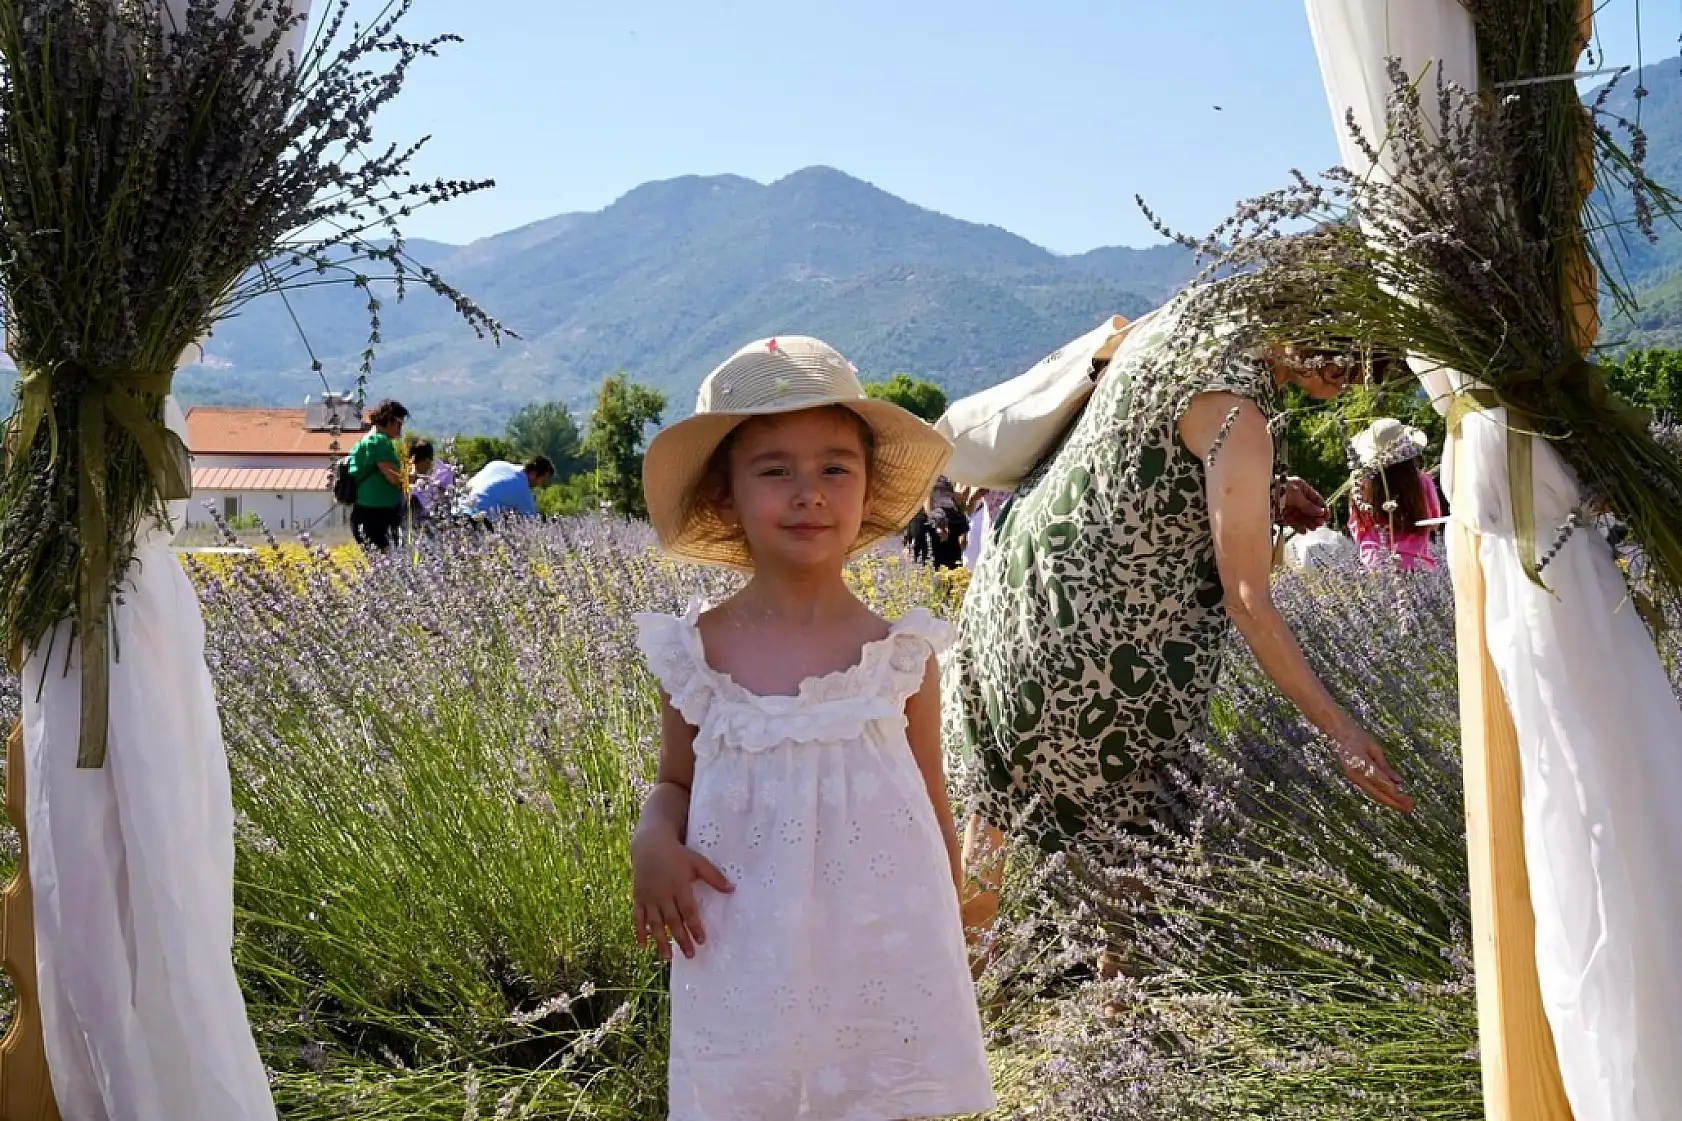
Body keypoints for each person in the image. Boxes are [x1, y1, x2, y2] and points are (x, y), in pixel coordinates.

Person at [948, 305, 1415, 939]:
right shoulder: (1239, 412)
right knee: (1143, 833)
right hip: (1113, 649)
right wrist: (1341, 731)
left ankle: (966, 1000)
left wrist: (1267, 495)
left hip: (1017, 603)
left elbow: (1143, 461)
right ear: (1323, 327)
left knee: (994, 803)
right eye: (1363, 363)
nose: (1358, 383)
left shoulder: (1190, 322)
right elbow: (1247, 598)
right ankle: (1122, 1018)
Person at [629, 336, 995, 1120]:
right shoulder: (696, 654)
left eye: (835, 467)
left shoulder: (899, 656)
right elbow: (675, 781)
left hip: (882, 953)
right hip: (741, 952)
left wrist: (954, 916)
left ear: (866, 491)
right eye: (775, 470)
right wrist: (651, 838)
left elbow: (930, 796)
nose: (810, 492)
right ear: (725, 496)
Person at [1347, 418, 1442, 572]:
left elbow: (1357, 530)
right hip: (1416, 564)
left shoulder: (1360, 488)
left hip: (1375, 567)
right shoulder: (1422, 482)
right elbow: (1434, 523)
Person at [347, 399, 409, 550]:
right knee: (388, 562)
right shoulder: (378, 441)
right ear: (388, 420)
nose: (400, 430)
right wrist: (411, 477)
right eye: (399, 424)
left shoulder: (368, 439)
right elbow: (393, 477)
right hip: (376, 515)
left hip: (368, 512)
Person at [459, 455, 555, 521]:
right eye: (542, 480)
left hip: (457, 507)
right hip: (478, 519)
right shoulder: (522, 489)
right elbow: (532, 521)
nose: (540, 484)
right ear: (534, 474)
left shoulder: (497, 464)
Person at [904, 478, 969, 569]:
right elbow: (926, 495)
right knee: (927, 564)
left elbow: (961, 505)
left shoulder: (949, 475)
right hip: (930, 523)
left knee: (951, 566)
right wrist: (936, 521)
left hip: (948, 522)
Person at [407, 440, 457, 528]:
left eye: (415, 464)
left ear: (426, 460)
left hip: (435, 517)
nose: (414, 468)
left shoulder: (445, 471)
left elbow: (447, 495)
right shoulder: (417, 473)